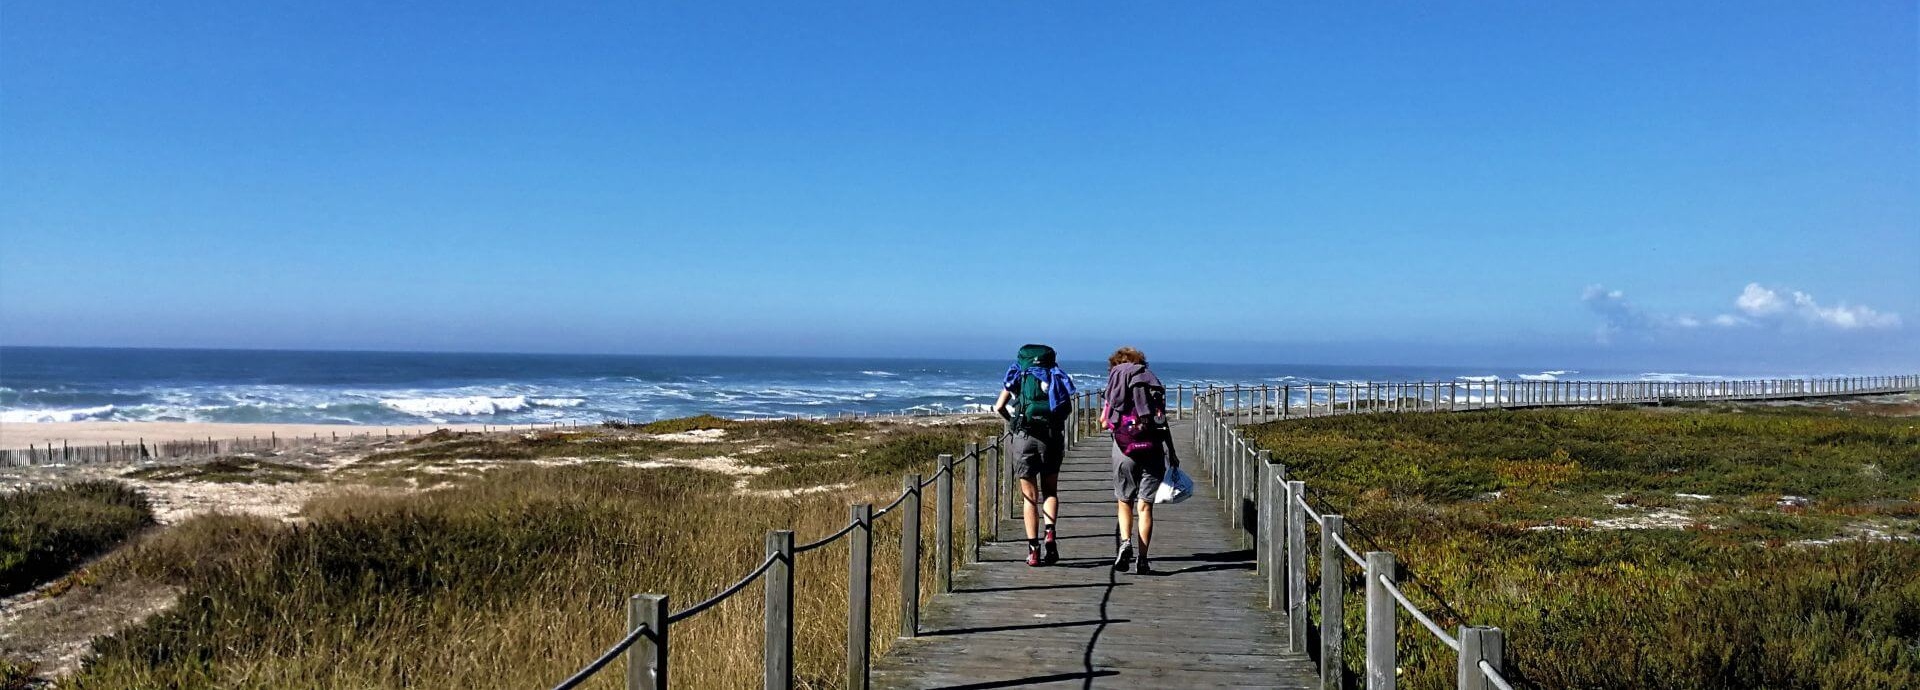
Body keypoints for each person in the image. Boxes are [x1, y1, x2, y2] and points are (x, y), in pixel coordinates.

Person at [991, 344, 1075, 567]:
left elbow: (998, 407)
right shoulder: (1055, 375)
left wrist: (1014, 423)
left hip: (1024, 437)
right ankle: (1050, 533)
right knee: (1050, 491)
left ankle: (1033, 550)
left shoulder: (1019, 374)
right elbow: (1066, 409)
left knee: (1029, 497)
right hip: (1051, 438)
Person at [1101, 346, 1171, 574]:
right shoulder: (1152, 386)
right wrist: (1172, 451)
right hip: (1152, 449)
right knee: (1145, 507)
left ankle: (1125, 543)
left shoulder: (1114, 387)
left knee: (1124, 501)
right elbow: (1161, 422)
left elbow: (1104, 422)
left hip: (1124, 450)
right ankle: (1143, 560)